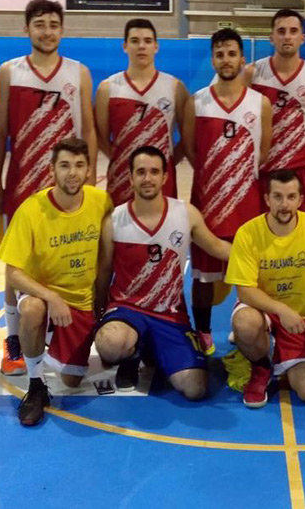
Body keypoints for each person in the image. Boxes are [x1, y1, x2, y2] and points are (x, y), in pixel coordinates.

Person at [0, 0, 98, 377]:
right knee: (15, 267)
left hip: (67, 189)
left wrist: (92, 179)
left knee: (73, 258)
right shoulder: (9, 72)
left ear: (62, 30)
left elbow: (88, 133)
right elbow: (0, 131)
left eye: (54, 24)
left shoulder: (78, 73)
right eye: (39, 24)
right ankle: (14, 340)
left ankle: (72, 326)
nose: (47, 31)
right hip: (22, 185)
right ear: (26, 29)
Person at [94, 146, 231, 400]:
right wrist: (100, 318)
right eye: (141, 172)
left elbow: (217, 247)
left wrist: (259, 253)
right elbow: (102, 277)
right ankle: (131, 354)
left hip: (170, 315)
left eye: (154, 172)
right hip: (126, 310)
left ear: (165, 177)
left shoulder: (184, 214)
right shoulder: (114, 220)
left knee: (195, 388)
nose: (148, 178)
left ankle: (150, 348)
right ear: (131, 177)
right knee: (109, 344)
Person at [0, 138, 112, 426]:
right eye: (64, 165)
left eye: (79, 165)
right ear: (52, 170)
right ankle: (36, 386)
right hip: (47, 298)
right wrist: (51, 297)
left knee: (72, 380)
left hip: (81, 303)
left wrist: (102, 303)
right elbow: (13, 273)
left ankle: (49, 338)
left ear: (89, 171)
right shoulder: (31, 210)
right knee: (33, 308)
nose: (72, 172)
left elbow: (106, 259)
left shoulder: (100, 202)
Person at [225, 169, 305, 408]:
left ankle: (277, 350)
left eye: (291, 197)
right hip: (262, 310)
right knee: (245, 322)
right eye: (278, 197)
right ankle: (260, 366)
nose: (284, 205)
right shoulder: (248, 233)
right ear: (267, 199)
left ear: (301, 200)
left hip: (299, 319)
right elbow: (245, 291)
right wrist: (281, 310)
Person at [182, 28, 272, 354]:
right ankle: (203, 331)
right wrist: (216, 180)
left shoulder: (260, 103)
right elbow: (192, 150)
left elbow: (263, 152)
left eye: (231, 53)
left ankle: (247, 324)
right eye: (219, 54)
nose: (226, 59)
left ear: (241, 58)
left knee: (248, 274)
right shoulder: (197, 102)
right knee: (203, 277)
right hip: (208, 203)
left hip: (247, 203)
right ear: (213, 59)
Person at [95, 18, 189, 207]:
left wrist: (166, 163)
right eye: (135, 41)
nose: (141, 46)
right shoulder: (108, 88)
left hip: (161, 182)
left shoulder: (175, 87)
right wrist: (122, 160)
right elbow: (101, 137)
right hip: (121, 180)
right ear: (125, 46)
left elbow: (188, 138)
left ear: (156, 46)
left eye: (147, 41)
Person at [244, 9, 305, 214]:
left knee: (304, 232)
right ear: (272, 38)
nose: (287, 36)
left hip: (300, 167)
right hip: (264, 168)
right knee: (263, 233)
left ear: (302, 38)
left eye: (293, 31)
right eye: (281, 31)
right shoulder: (252, 73)